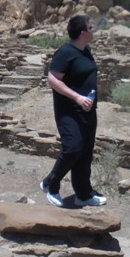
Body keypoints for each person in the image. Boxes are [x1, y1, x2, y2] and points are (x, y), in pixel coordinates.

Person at [40, 15, 107, 207]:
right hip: (69, 110)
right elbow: (52, 80)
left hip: (88, 110)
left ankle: (83, 194)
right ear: (83, 32)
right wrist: (77, 97)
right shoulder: (65, 52)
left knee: (85, 152)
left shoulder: (86, 50)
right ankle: (50, 185)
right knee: (73, 149)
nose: (93, 30)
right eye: (90, 27)